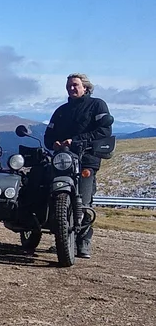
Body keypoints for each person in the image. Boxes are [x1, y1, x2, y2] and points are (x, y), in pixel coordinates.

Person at [43, 73, 112, 259]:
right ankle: (62, 240)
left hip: (86, 160)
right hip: (62, 161)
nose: (71, 88)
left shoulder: (97, 105)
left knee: (84, 201)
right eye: (69, 86)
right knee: (54, 197)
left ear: (85, 87)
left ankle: (83, 242)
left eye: (75, 85)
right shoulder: (60, 111)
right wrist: (54, 143)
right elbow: (48, 136)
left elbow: (104, 130)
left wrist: (75, 141)